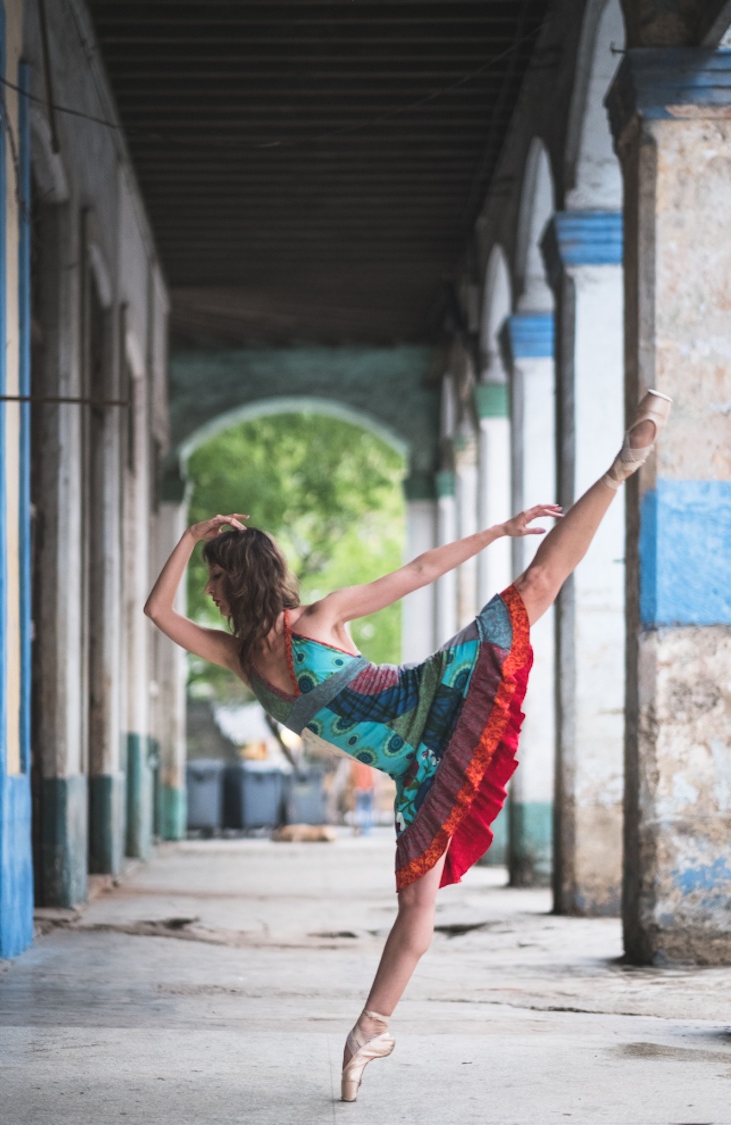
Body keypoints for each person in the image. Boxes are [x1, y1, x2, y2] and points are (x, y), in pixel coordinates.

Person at [145, 390, 671, 1102]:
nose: (206, 588)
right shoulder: (238, 656)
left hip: (433, 694)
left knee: (535, 585)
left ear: (236, 580)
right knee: (416, 906)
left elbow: (419, 570)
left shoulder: (318, 617)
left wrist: (497, 530)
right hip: (415, 764)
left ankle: (619, 468)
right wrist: (188, 535)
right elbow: (155, 610)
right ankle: (368, 1031)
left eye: (212, 574)